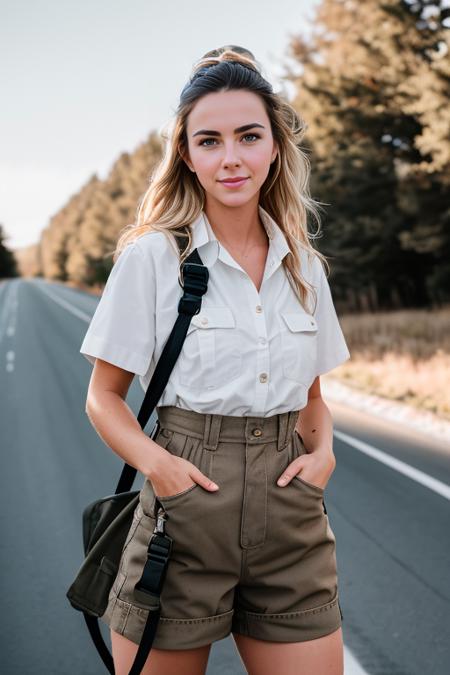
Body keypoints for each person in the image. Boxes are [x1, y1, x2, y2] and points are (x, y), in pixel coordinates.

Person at [80, 45, 350, 675]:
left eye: (248, 136)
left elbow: (311, 397)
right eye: (210, 141)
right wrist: (160, 468)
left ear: (275, 147)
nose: (231, 157)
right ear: (188, 155)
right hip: (184, 511)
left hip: (292, 520)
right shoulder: (152, 259)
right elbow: (104, 397)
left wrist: (324, 453)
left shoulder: (304, 267)